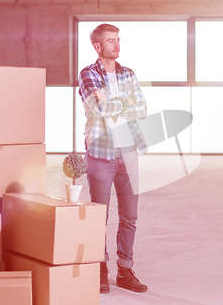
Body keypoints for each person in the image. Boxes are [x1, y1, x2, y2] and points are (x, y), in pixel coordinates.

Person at [78, 23, 148, 294]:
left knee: (129, 216)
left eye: (118, 40)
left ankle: (125, 270)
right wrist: (124, 102)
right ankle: (100, 269)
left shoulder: (128, 73)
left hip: (128, 153)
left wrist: (114, 102)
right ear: (98, 46)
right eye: (111, 41)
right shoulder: (88, 74)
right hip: (101, 154)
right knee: (100, 217)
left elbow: (142, 108)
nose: (117, 45)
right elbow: (99, 108)